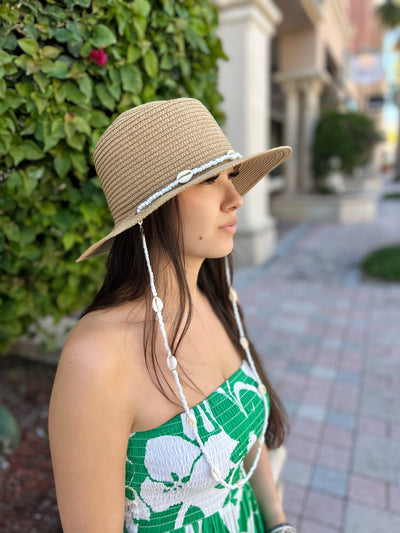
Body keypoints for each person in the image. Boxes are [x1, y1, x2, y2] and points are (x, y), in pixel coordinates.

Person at [48, 98, 296, 533]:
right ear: (153, 210)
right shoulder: (97, 359)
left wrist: (278, 523)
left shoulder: (216, 299)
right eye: (207, 181)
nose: (235, 198)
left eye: (231, 176)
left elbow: (245, 437)